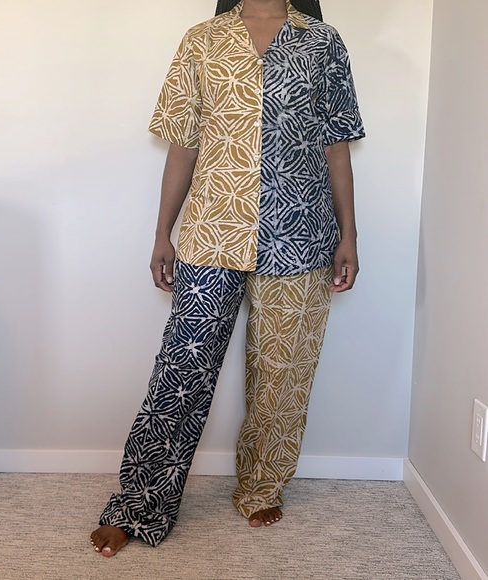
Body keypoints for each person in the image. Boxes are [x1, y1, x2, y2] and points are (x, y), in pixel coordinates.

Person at [91, 0, 364, 557]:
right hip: (213, 232)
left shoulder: (323, 42)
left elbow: (336, 148)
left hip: (301, 232)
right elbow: (183, 144)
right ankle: (139, 503)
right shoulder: (202, 40)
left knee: (283, 371)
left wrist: (349, 235)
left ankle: (262, 486)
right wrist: (163, 232)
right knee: (182, 371)